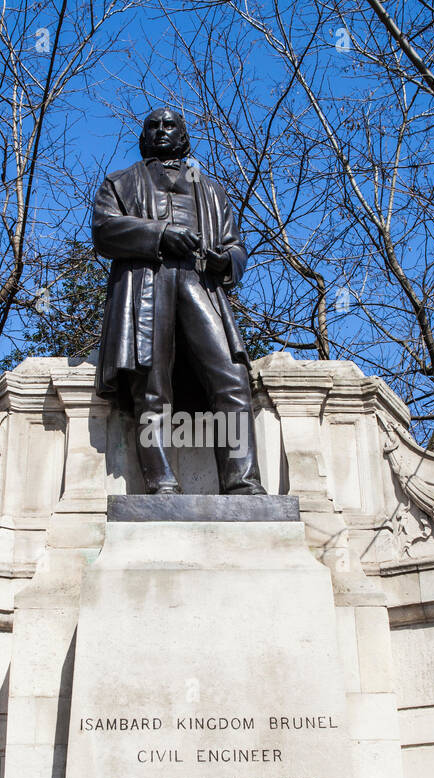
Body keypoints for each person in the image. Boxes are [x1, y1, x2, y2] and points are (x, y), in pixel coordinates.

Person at [91, 108, 266, 495]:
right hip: (146, 286)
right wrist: (160, 234)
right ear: (144, 136)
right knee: (150, 385)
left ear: (183, 134)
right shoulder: (120, 183)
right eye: (152, 125)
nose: (161, 131)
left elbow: (236, 246)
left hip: (199, 282)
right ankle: (160, 482)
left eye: (169, 125)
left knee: (231, 376)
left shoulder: (210, 189)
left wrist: (226, 260)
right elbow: (104, 231)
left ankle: (242, 481)